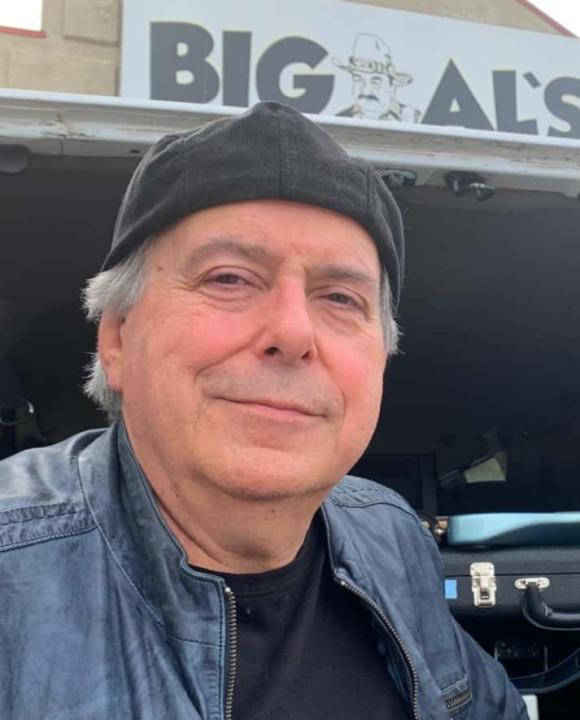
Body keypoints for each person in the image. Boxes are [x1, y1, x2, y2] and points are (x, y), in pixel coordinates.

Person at [0, 102, 528, 719]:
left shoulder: (390, 531)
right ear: (116, 337)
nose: (293, 332)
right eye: (229, 279)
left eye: (339, 297)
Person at [335, 33, 423, 123]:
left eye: (375, 82)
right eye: (358, 79)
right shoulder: (340, 119)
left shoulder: (411, 118)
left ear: (391, 84)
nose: (366, 90)